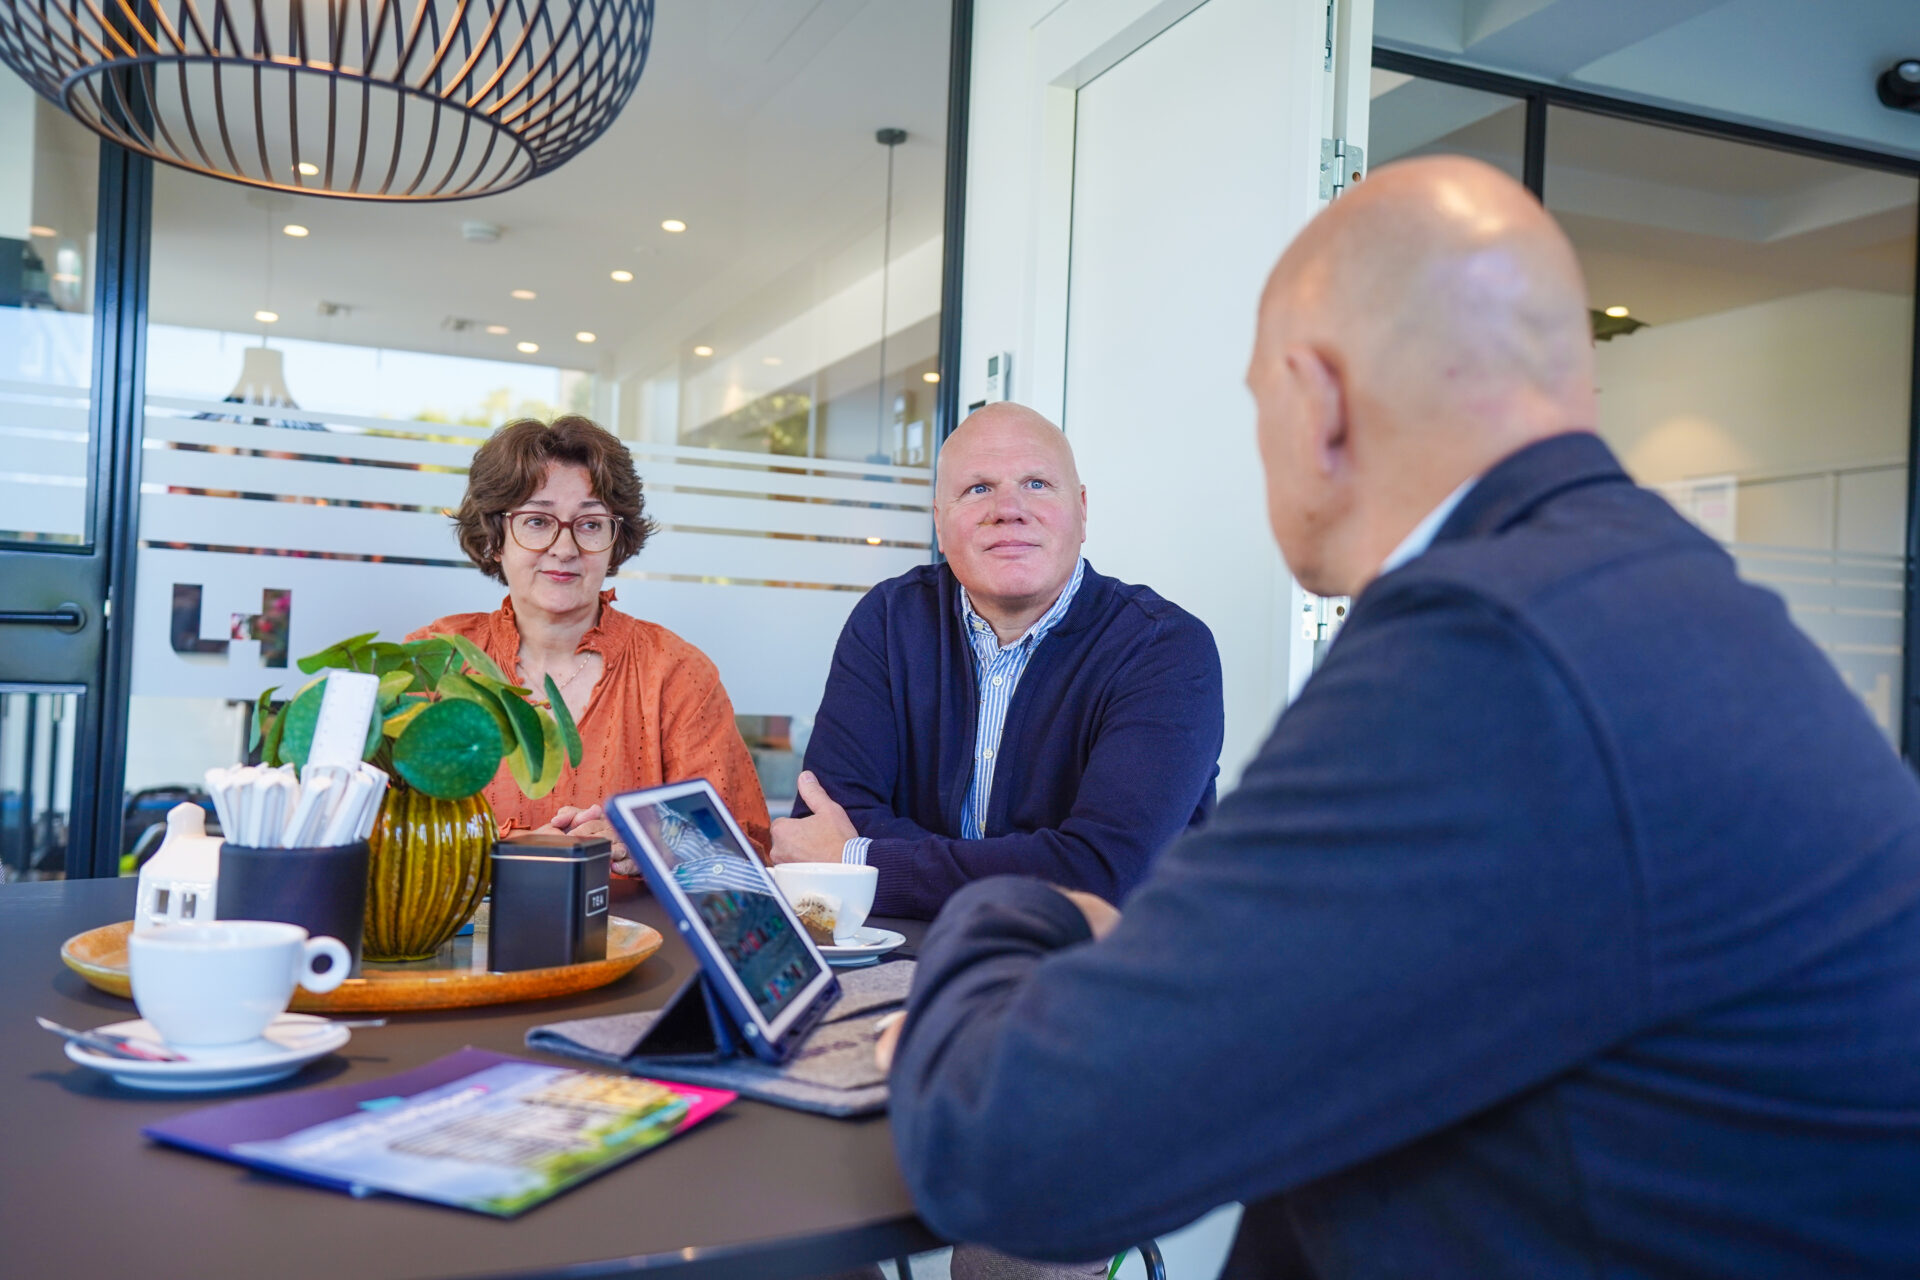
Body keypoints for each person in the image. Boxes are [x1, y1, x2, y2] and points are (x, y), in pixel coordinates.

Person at [877, 156, 1920, 1277]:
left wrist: (1033, 917)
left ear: (1316, 397)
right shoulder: (1661, 602)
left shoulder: (1487, 652)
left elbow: (1009, 1153)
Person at [769, 402, 1225, 921]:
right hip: (910, 958)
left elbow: (1102, 874)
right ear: (940, 524)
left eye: (1036, 483)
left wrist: (860, 858)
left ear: (1081, 510)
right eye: (978, 488)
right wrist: (1036, 863)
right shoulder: (888, 620)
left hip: (1110, 975)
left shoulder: (1164, 649)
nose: (1008, 508)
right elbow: (821, 825)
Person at [411, 416, 771, 870]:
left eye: (590, 523)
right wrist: (513, 852)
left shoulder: (676, 673)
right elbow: (382, 835)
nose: (564, 548)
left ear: (615, 541)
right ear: (495, 539)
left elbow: (748, 853)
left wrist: (651, 846)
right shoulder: (436, 659)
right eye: (537, 521)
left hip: (646, 939)